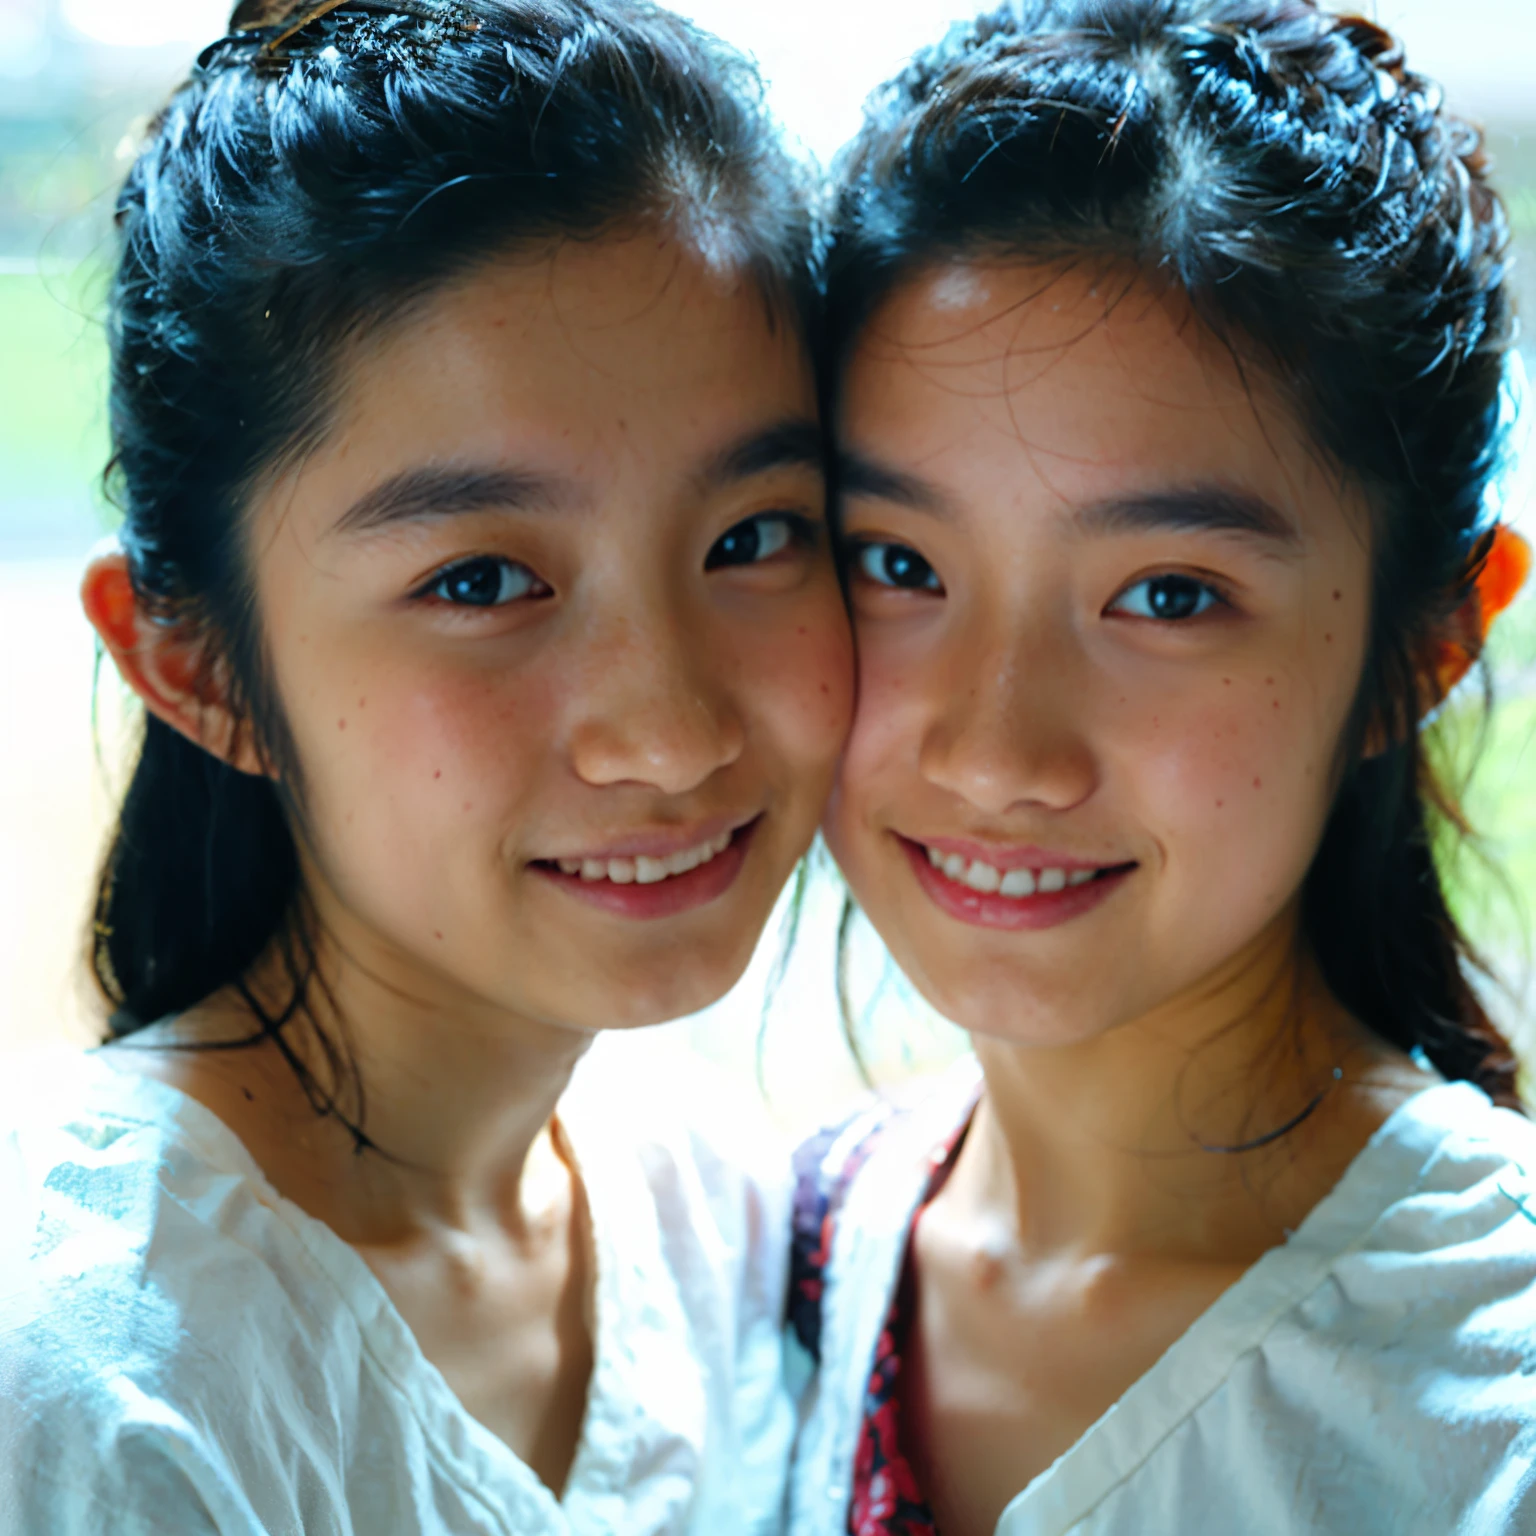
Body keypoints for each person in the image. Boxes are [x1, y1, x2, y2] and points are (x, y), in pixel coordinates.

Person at [0, 2, 853, 1531]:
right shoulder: (88, 1382)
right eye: (479, 582)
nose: (670, 731)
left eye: (752, 537)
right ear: (191, 663)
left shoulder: (708, 1205)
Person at [788, 2, 1536, 1532]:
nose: (998, 749)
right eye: (896, 561)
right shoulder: (788, 1261)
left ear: (1429, 644)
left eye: (1170, 595)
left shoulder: (1492, 1389)